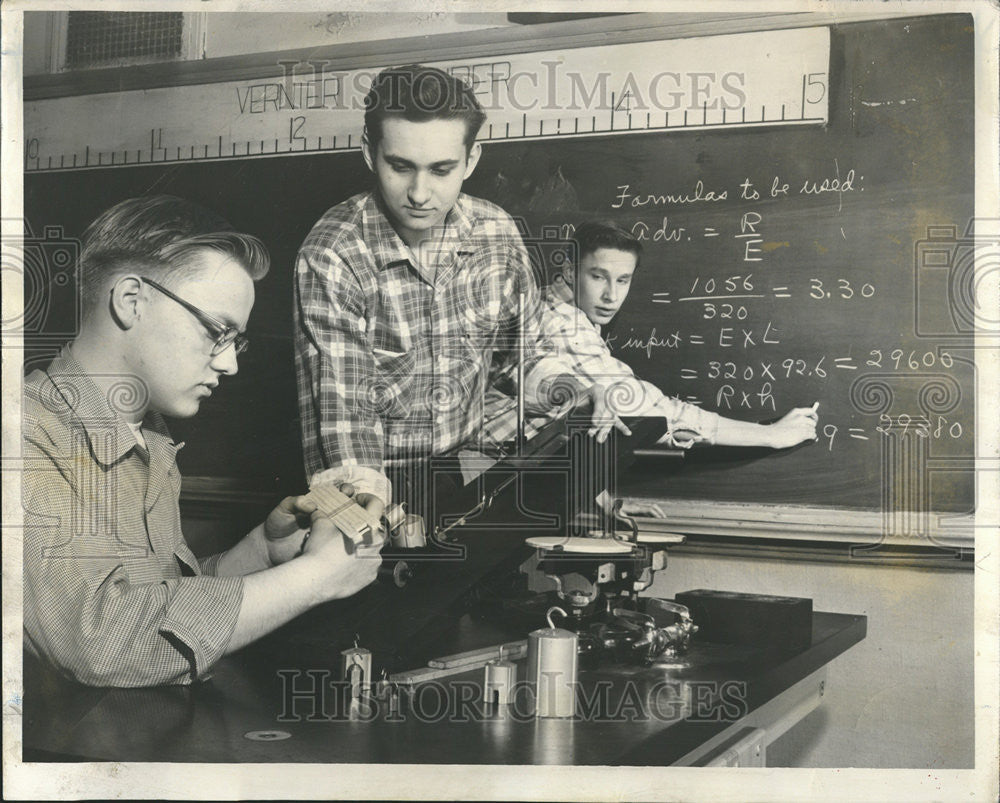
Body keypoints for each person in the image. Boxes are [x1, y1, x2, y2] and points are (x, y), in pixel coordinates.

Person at [22, 195, 383, 687]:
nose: (230, 363)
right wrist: (313, 579)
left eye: (237, 341)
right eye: (217, 330)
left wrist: (260, 555)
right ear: (131, 301)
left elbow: (160, 608)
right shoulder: (25, 434)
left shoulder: (148, 436)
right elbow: (99, 641)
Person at [294, 65, 615, 520]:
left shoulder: (495, 233)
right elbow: (345, 419)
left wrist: (579, 392)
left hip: (468, 470)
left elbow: (521, 359)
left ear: (472, 159)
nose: (420, 193)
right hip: (371, 480)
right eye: (400, 166)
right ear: (370, 153)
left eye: (442, 169)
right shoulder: (333, 253)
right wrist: (364, 515)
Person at [542, 220, 819, 450]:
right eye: (598, 277)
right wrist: (770, 435)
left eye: (622, 280)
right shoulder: (564, 324)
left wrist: (601, 503)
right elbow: (650, 410)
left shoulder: (553, 304)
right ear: (569, 271)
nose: (611, 296)